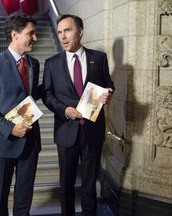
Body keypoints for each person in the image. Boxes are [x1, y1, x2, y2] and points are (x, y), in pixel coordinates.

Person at [42, 14, 115, 215]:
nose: (63, 36)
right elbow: (47, 95)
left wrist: (108, 93)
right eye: (59, 32)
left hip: (92, 130)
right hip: (66, 131)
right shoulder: (52, 63)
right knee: (66, 183)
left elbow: (107, 83)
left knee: (90, 183)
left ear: (80, 32)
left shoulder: (98, 58)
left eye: (68, 30)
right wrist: (63, 109)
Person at [0, 14, 41, 216]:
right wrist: (10, 128)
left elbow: (28, 97)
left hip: (30, 141)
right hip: (3, 142)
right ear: (15, 35)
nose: (35, 38)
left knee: (25, 196)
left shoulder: (34, 64)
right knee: (1, 198)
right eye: (30, 33)